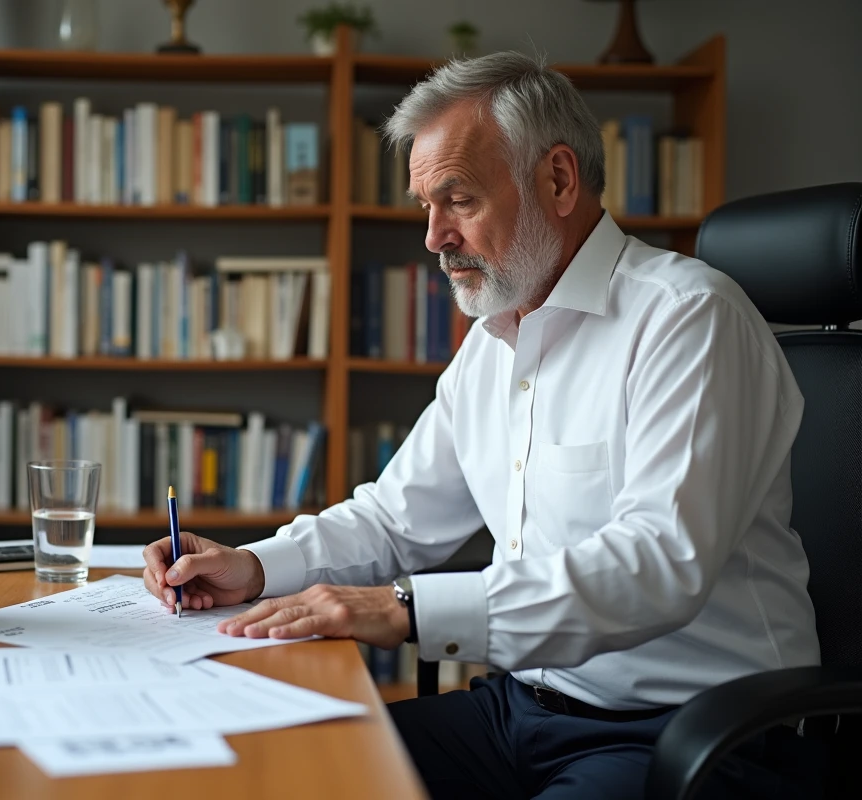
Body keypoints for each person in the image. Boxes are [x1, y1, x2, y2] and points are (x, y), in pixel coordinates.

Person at [142, 50, 825, 799]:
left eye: (458, 200)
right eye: (425, 207)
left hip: (697, 731)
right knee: (293, 772)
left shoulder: (688, 318)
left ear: (558, 180)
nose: (434, 238)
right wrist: (256, 566)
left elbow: (658, 563)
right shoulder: (495, 339)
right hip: (523, 710)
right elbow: (396, 520)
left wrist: (406, 609)